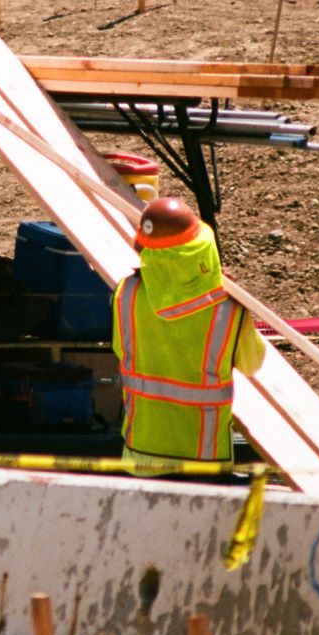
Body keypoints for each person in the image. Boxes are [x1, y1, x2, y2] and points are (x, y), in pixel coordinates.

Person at [112, 197, 266, 474]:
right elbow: (252, 364)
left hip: (140, 455)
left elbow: (121, 351)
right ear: (198, 250)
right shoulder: (229, 307)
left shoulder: (126, 294)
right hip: (203, 459)